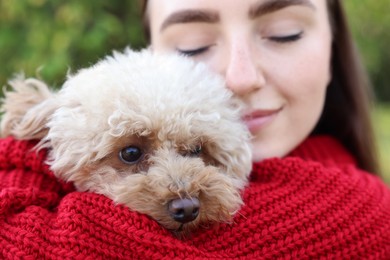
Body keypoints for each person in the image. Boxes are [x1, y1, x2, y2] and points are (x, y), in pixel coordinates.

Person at [0, 0, 389, 259]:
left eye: (284, 32)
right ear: (151, 44)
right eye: (193, 45)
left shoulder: (362, 216)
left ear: (335, 46)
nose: (241, 78)